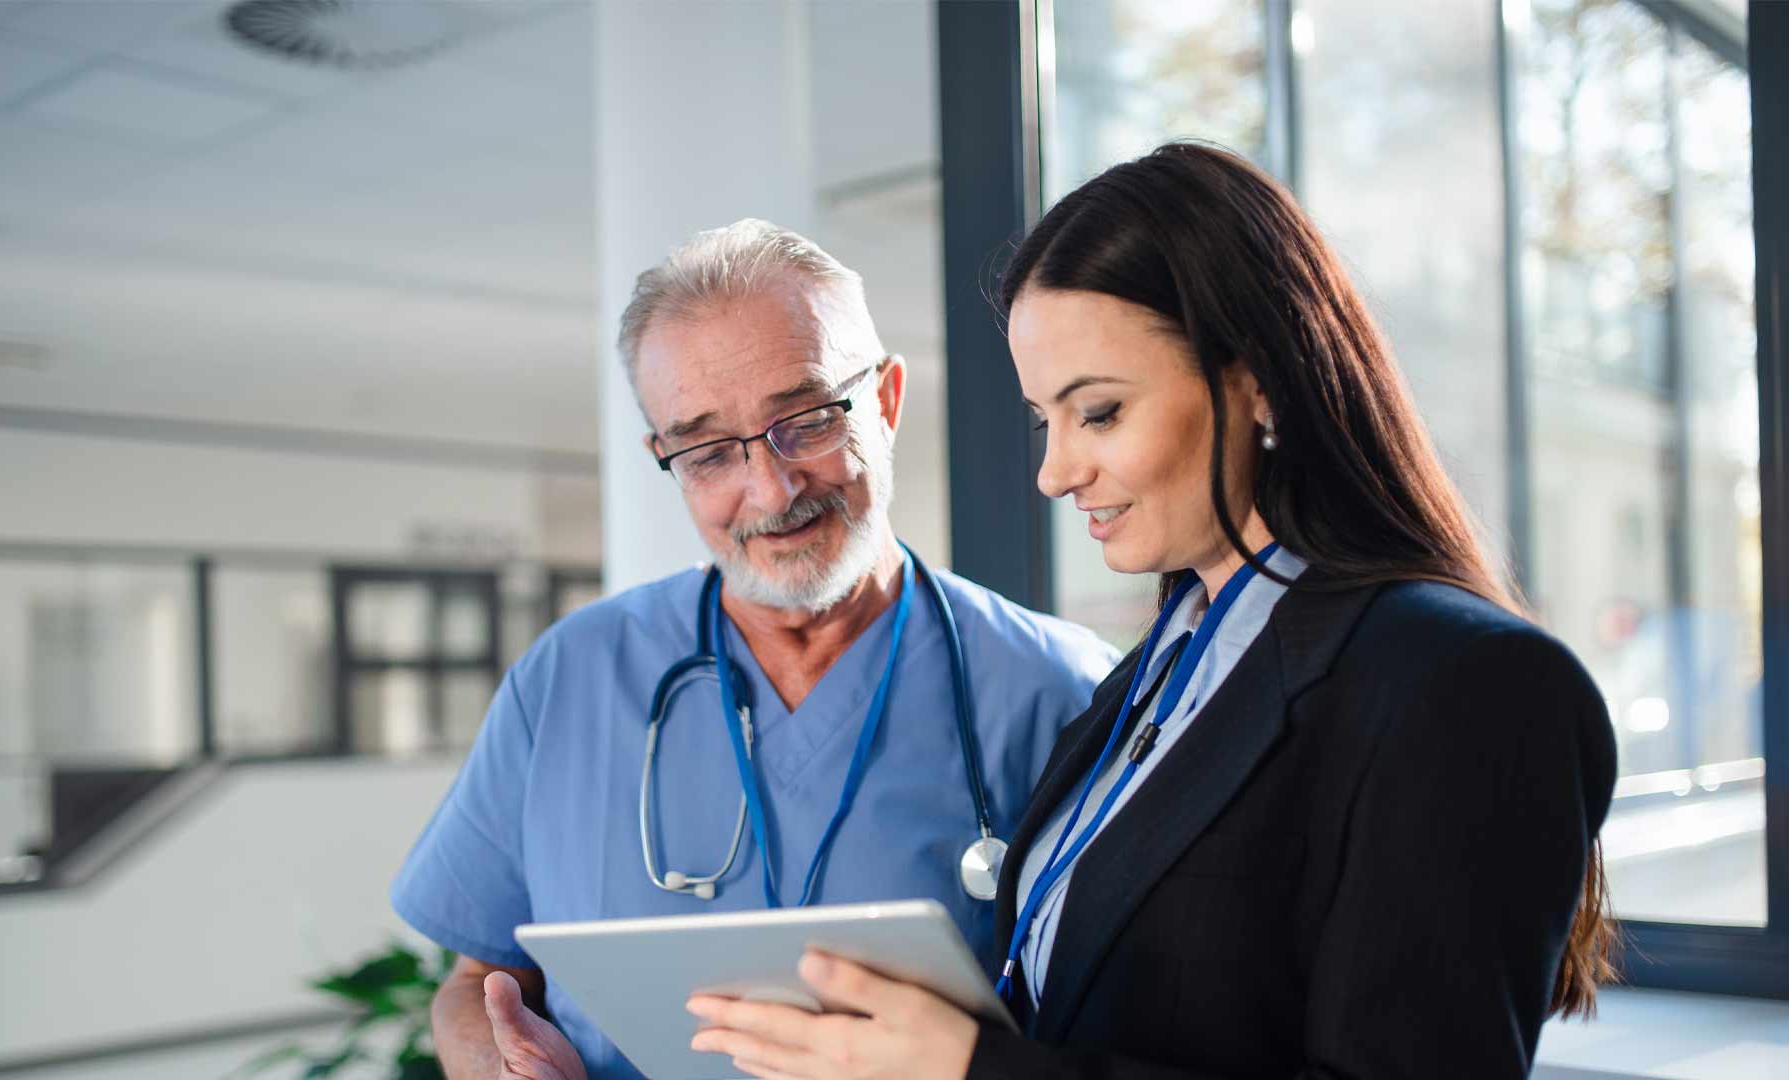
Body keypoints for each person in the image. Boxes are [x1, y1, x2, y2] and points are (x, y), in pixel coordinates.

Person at [684, 144, 1619, 1079]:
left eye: (1098, 414)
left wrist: (969, 1070)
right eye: (1043, 419)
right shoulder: (1160, 670)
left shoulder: (1460, 684)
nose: (1054, 472)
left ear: (1259, 382)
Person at [389, 219, 1118, 1080]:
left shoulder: (1061, 692)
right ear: (665, 457)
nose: (769, 489)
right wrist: (492, 1058)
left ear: (883, 402)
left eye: (805, 420)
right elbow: (476, 976)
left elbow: (1124, 1022)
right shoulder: (568, 680)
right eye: (706, 451)